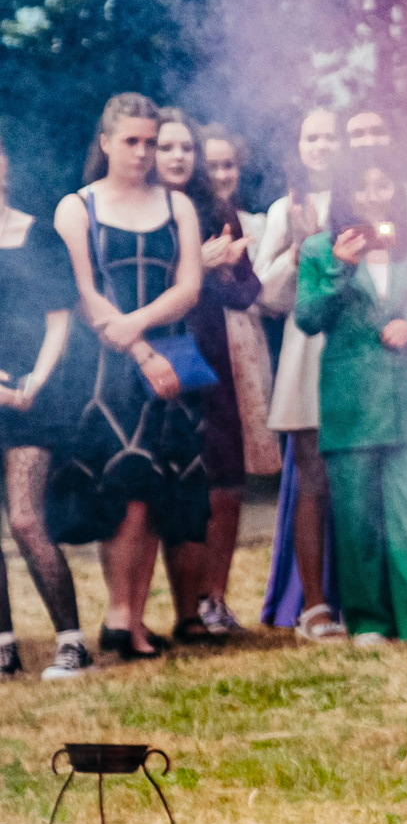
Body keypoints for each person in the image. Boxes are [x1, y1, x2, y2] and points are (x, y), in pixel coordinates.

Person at [295, 150, 407, 648]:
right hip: (350, 404)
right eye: (363, 187)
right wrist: (337, 269)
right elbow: (308, 319)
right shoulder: (318, 249)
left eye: (383, 185)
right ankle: (369, 622)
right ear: (346, 194)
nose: (374, 196)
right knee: (357, 521)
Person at [49, 93, 208, 663]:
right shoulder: (77, 207)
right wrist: (140, 350)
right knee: (126, 492)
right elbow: (87, 295)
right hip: (104, 370)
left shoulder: (179, 207)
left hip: (171, 362)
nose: (143, 153)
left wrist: (141, 327)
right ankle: (119, 617)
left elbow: (189, 286)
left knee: (161, 494)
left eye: (150, 141)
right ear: (106, 143)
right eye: (132, 142)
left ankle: (135, 623)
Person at [153, 111, 260, 641]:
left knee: (224, 479)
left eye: (186, 149)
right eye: (167, 148)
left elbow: (246, 292)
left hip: (210, 357)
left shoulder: (215, 211)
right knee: (162, 483)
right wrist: (198, 261)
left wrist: (225, 266)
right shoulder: (135, 211)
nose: (179, 158)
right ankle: (167, 611)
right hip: (152, 354)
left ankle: (212, 599)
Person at [0, 125, 92, 679]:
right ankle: (4, 643)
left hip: (35, 397)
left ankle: (71, 642)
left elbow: (61, 316)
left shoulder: (40, 236)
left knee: (27, 520)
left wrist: (36, 379)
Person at [256, 106, 346, 640]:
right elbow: (265, 296)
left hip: (359, 349)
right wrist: (294, 251)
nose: (322, 145)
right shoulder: (280, 210)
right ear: (299, 146)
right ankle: (313, 605)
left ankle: (361, 599)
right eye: (312, 136)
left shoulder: (367, 200)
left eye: (331, 136)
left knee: (357, 479)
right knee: (312, 475)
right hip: (305, 349)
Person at [196, 124, 283, 485]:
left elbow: (265, 297)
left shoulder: (251, 224)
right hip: (208, 341)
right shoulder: (191, 217)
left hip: (246, 338)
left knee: (235, 472)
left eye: (228, 165)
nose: (221, 175)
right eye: (212, 166)